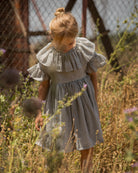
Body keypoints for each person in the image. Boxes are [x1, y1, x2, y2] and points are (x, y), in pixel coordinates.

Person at [28, 7, 106, 172]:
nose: (68, 47)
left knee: (87, 144)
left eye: (71, 43)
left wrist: (95, 102)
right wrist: (39, 112)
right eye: (63, 44)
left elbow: (93, 77)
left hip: (84, 102)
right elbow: (43, 86)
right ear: (53, 38)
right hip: (58, 105)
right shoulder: (47, 57)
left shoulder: (83, 50)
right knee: (56, 146)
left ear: (76, 36)